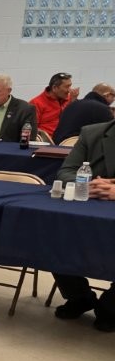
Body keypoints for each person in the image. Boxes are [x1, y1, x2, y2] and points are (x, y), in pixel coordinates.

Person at [52, 119, 115, 332]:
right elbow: (65, 172)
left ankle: (110, 306)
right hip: (89, 210)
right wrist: (88, 185)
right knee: (52, 231)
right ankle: (79, 297)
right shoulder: (92, 133)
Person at [29, 72, 77, 139]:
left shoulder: (70, 99)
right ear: (54, 88)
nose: (70, 90)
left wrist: (74, 103)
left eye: (70, 86)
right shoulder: (36, 103)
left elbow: (74, 121)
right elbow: (32, 128)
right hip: (47, 141)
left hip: (67, 139)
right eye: (67, 87)